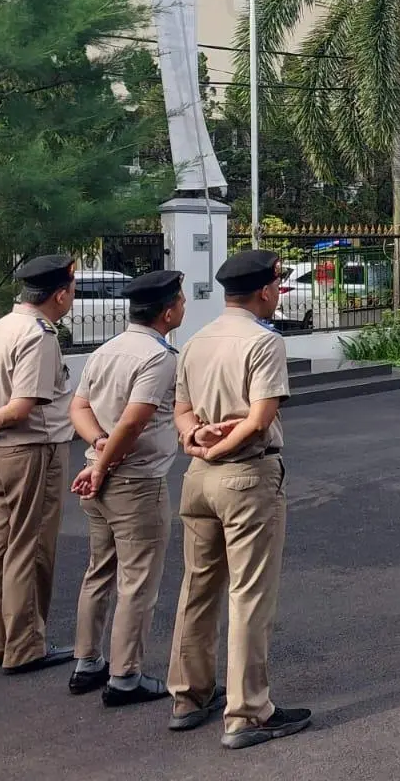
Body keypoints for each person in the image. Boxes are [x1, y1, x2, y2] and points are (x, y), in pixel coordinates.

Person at [167, 249, 310, 748]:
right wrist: (222, 447)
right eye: (277, 286)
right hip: (247, 477)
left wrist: (196, 441)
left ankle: (189, 696)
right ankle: (248, 712)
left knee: (197, 587)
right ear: (266, 290)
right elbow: (260, 418)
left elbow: (182, 411)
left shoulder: (195, 341)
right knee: (249, 593)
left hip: (198, 478)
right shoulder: (263, 342)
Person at [67, 270, 185, 706]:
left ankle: (87, 662)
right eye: (181, 300)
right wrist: (104, 462)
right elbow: (135, 421)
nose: (184, 306)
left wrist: (98, 445)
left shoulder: (107, 349)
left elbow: (78, 407)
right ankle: (125, 677)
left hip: (98, 476)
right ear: (167, 311)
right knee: (137, 580)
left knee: (99, 570)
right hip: (135, 481)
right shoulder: (158, 358)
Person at [0, 254, 76, 674]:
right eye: (71, 291)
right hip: (32, 448)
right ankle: (25, 645)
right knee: (31, 544)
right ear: (59, 295)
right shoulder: (38, 334)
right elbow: (23, 406)